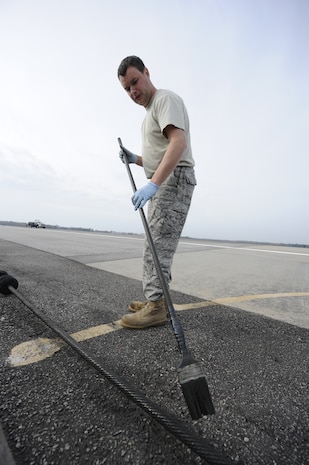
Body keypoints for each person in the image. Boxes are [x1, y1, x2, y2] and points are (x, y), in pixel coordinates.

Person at [117, 55, 196, 329]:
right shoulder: (149, 113)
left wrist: (153, 184)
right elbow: (158, 156)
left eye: (135, 82)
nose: (133, 91)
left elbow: (177, 143)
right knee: (153, 245)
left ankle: (156, 307)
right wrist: (135, 159)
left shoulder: (164, 100)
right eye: (127, 88)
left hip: (172, 181)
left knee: (157, 246)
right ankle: (155, 300)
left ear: (147, 72)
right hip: (164, 181)